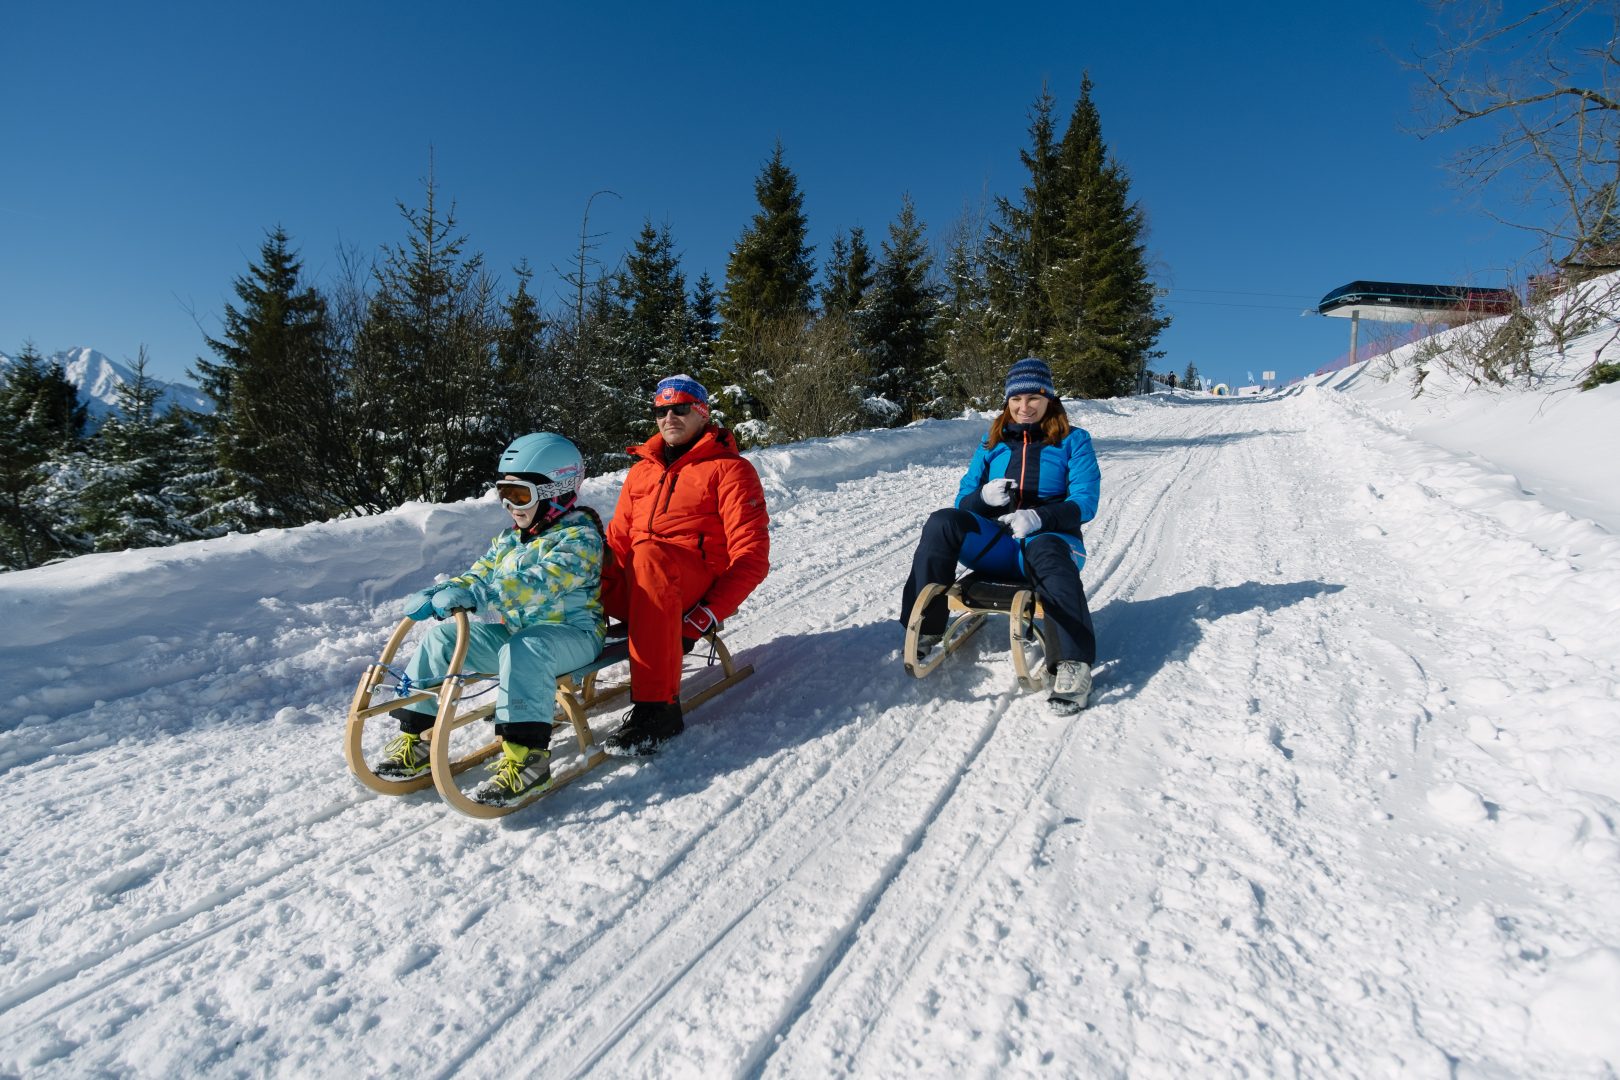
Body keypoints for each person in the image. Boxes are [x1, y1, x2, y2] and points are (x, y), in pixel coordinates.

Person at [373, 432, 606, 805]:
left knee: (523, 649)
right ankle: (414, 737)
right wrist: (445, 591)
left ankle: (527, 759)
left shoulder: (580, 538)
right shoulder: (510, 540)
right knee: (441, 640)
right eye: (504, 494)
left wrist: (481, 595)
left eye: (520, 495)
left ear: (556, 492)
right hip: (519, 635)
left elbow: (537, 583)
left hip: (573, 636)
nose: (510, 505)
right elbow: (479, 575)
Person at [899, 357, 1101, 714]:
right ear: (1007, 402)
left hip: (1050, 540)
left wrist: (1040, 517)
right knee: (942, 522)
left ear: (1049, 399)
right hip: (999, 545)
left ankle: (1072, 663)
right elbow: (963, 499)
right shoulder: (992, 441)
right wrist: (983, 499)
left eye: (1033, 399)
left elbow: (1085, 501)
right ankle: (926, 626)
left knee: (1050, 553)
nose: (1024, 407)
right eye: (1016, 400)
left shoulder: (1074, 441)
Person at [600, 374, 770, 755]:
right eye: (661, 410)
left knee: (649, 554)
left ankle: (658, 711)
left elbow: (752, 557)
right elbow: (619, 541)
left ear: (701, 412)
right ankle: (535, 674)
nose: (668, 417)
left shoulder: (730, 470)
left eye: (679, 409)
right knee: (574, 556)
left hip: (687, 585)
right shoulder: (641, 470)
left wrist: (703, 617)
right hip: (640, 584)